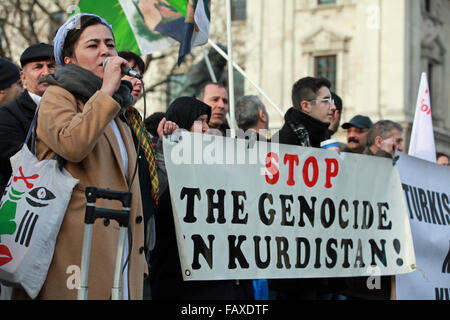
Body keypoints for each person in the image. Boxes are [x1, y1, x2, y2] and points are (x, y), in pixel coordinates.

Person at [28, 13, 147, 300]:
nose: (105, 51)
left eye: (110, 44)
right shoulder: (59, 95)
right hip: (77, 252)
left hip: (120, 250)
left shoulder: (117, 110)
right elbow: (73, 145)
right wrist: (106, 90)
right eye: (92, 45)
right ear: (68, 59)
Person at [149, 96, 254, 300]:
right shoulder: (161, 160)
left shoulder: (219, 166)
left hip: (216, 277)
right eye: (200, 121)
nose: (207, 128)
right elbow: (161, 201)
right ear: (182, 125)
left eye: (207, 121)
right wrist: (167, 148)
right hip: (178, 279)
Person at [270, 76, 343, 300]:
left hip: (324, 264)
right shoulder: (280, 143)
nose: (333, 107)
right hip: (290, 271)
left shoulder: (324, 141)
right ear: (306, 105)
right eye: (326, 101)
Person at [117, 50, 178, 299]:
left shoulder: (138, 127)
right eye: (129, 73)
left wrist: (162, 147)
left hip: (142, 235)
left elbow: (156, 187)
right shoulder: (108, 118)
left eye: (139, 75)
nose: (137, 80)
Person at [0, 43, 55, 196]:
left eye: (52, 66)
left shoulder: (75, 108)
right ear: (23, 77)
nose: (46, 72)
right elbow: (21, 164)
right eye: (38, 67)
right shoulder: (7, 115)